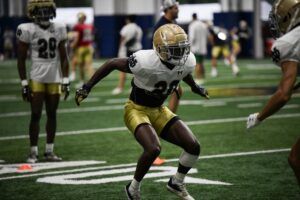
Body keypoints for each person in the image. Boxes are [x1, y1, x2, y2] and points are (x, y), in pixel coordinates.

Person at [75, 24, 209, 200]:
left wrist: (195, 87)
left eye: (181, 50)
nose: (180, 55)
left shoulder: (188, 61)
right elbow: (112, 63)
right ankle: (133, 188)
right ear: (160, 49)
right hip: (136, 109)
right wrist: (87, 87)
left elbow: (183, 72)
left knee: (193, 147)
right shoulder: (145, 61)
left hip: (160, 109)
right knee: (153, 148)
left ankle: (176, 182)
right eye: (174, 51)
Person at [246, 0, 300, 185]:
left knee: (296, 158)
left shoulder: (288, 43)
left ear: (288, 17)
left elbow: (284, 94)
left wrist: (260, 116)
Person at [16, 0, 70, 163]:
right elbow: (21, 59)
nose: (45, 13)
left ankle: (49, 151)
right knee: (35, 114)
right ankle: (33, 151)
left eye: (47, 9)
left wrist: (65, 80)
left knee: (52, 114)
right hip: (37, 75)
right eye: (41, 10)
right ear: (33, 12)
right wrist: (24, 83)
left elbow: (64, 56)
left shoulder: (59, 27)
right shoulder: (27, 29)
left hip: (54, 75)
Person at [111, 15, 143, 95]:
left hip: (126, 51)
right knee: (136, 71)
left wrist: (119, 51)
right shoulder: (138, 28)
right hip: (137, 51)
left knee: (122, 70)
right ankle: (134, 87)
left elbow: (122, 40)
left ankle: (120, 88)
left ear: (127, 20)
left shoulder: (125, 28)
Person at [70, 12, 95, 87]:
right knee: (89, 65)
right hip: (89, 47)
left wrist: (73, 45)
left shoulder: (78, 26)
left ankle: (81, 81)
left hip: (81, 48)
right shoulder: (89, 26)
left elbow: (77, 38)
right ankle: (93, 81)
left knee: (81, 66)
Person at [188, 13, 209, 84]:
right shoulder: (203, 25)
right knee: (201, 62)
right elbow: (208, 35)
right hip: (203, 47)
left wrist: (189, 46)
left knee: (197, 64)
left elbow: (192, 38)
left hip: (196, 47)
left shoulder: (192, 25)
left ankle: (198, 78)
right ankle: (203, 76)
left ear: (192, 17)